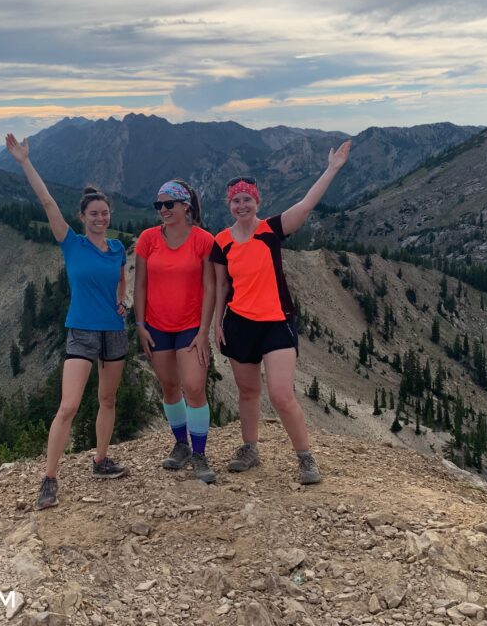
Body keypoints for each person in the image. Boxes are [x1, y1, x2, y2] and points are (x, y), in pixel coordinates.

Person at [211, 141, 352, 484]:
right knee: (247, 392)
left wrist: (332, 168)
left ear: (257, 201)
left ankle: (305, 457)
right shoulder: (221, 242)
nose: (242, 204)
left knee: (280, 393)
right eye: (236, 200)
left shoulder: (271, 229)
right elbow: (220, 287)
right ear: (229, 205)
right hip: (239, 323)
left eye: (247, 199)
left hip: (276, 322)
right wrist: (217, 323)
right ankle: (250, 448)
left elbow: (306, 204)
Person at [5, 133, 130, 511]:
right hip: (81, 331)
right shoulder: (71, 242)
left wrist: (122, 300)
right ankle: (49, 477)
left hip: (114, 331)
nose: (100, 218)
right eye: (93, 214)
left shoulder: (118, 248)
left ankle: (101, 459)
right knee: (69, 405)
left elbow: (121, 277)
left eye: (104, 213)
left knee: (107, 398)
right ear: (82, 217)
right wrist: (25, 161)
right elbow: (46, 201)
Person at [133, 180, 216, 483]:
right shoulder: (147, 239)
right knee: (170, 387)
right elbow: (139, 284)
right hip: (156, 325)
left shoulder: (203, 240)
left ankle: (199, 453)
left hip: (191, 326)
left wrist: (204, 330)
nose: (163, 210)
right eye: (159, 205)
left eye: (169, 204)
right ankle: (182, 444)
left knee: (193, 387)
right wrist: (140, 325)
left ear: (186, 206)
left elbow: (210, 287)